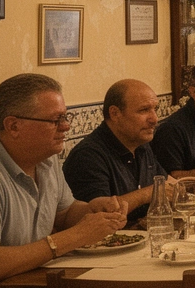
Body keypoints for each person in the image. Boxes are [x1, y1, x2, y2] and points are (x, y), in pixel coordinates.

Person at [0, 74, 127, 288]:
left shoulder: (45, 160)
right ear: (14, 126)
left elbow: (64, 212)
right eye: (55, 120)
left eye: (65, 116)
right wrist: (74, 237)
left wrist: (94, 210)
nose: (66, 126)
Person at [63, 79, 170, 222]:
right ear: (115, 114)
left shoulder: (140, 144)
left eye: (155, 109)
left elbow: (167, 183)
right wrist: (147, 193)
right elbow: (99, 215)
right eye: (144, 110)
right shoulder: (88, 156)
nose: (154, 119)